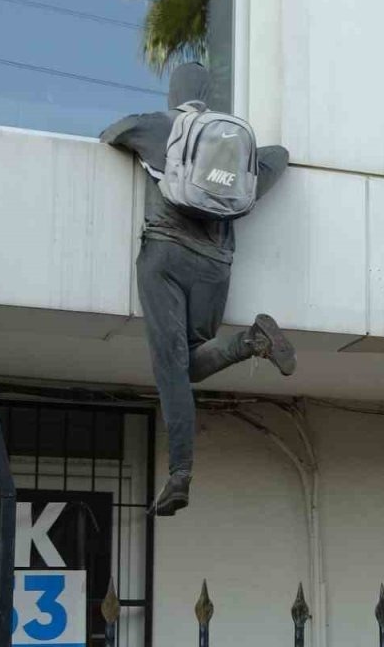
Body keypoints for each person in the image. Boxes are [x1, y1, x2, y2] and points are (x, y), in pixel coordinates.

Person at [101, 62, 296, 517]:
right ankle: (252, 341)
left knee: (172, 366)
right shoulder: (232, 146)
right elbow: (279, 157)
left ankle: (181, 472)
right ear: (208, 97)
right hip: (216, 266)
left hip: (165, 255)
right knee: (188, 363)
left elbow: (113, 132)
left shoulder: (160, 126)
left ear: (175, 93)